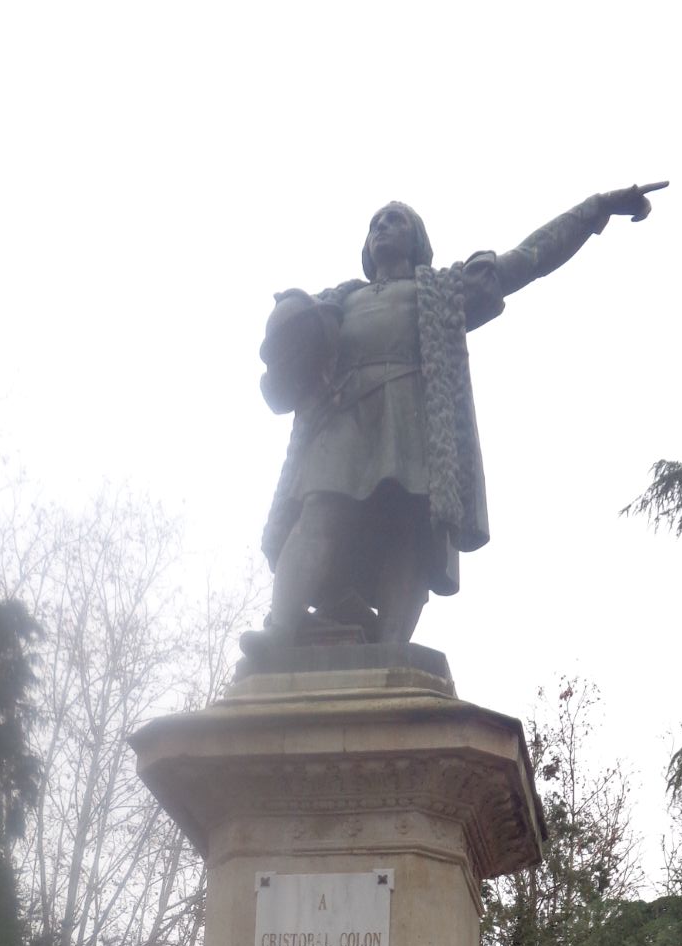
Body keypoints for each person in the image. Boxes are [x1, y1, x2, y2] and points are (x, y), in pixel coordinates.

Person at [259, 186, 660, 647]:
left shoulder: (444, 291)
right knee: (318, 514)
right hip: (342, 424)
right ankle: (282, 628)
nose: (382, 228)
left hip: (414, 424)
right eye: (375, 224)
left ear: (418, 240)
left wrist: (596, 209)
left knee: (411, 533)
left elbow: (527, 260)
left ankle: (391, 647)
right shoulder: (335, 302)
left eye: (395, 220)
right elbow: (296, 357)